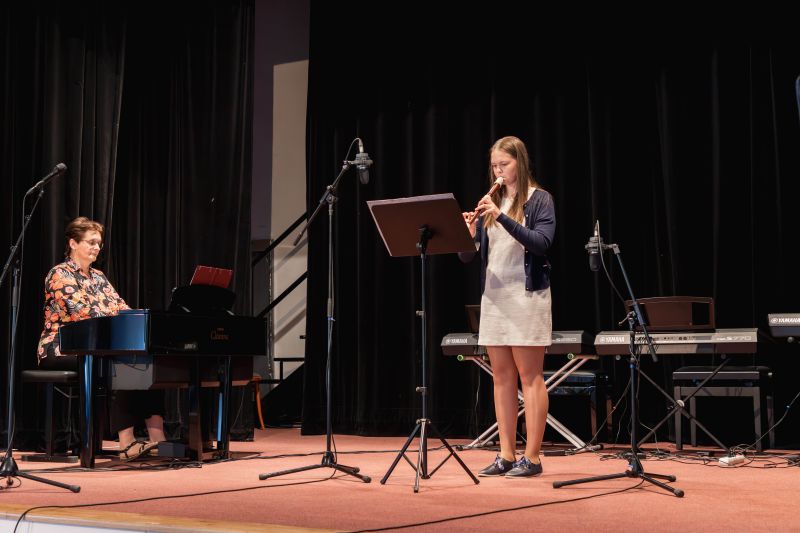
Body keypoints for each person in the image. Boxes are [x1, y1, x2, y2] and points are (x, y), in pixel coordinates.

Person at [460, 136, 556, 478]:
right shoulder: (493, 202)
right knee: (501, 378)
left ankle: (533, 457)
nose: (498, 171)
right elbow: (467, 256)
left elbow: (541, 243)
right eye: (494, 166)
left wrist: (500, 216)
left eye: (505, 164)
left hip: (527, 297)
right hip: (495, 298)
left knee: (530, 377)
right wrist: (469, 231)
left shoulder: (539, 199)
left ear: (520, 162)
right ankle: (505, 454)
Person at [37, 216, 165, 461]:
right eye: (91, 242)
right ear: (73, 243)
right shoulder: (59, 274)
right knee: (123, 364)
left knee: (146, 361)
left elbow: (122, 308)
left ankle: (158, 440)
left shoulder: (99, 277)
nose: (97, 247)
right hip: (61, 348)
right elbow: (82, 314)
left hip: (98, 347)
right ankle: (126, 443)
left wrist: (137, 318)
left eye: (99, 243)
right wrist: (115, 316)